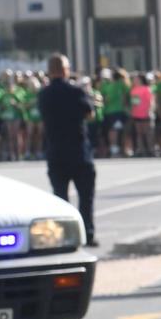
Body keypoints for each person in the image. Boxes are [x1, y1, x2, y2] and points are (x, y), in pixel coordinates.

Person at [37, 55, 97, 247]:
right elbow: (90, 114)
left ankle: (62, 236)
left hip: (55, 150)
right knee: (85, 197)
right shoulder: (76, 91)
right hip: (78, 150)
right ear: (65, 70)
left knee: (60, 198)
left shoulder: (44, 94)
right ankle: (87, 232)